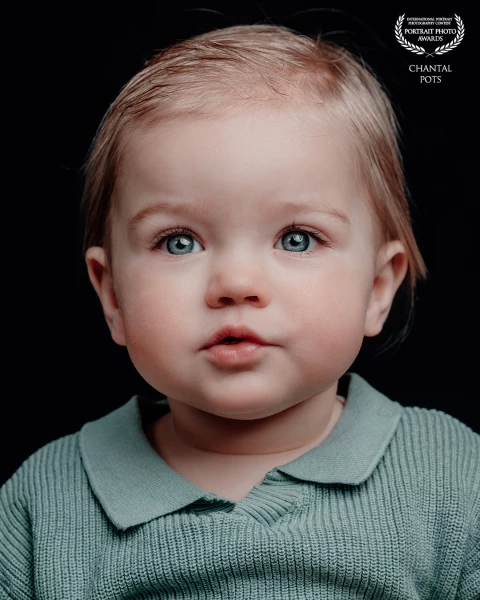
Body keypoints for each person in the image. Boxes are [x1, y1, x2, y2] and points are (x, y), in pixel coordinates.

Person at [1, 23, 478, 600]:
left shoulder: (453, 479)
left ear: (377, 288)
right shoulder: (42, 503)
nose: (236, 284)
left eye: (297, 238)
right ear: (112, 295)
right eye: (179, 241)